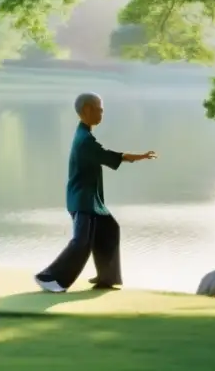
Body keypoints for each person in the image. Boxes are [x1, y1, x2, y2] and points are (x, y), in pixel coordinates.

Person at [34, 93, 157, 293]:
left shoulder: (84, 134)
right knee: (81, 242)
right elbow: (109, 157)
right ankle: (50, 278)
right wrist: (140, 156)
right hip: (82, 200)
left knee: (109, 229)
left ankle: (107, 277)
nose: (102, 113)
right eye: (99, 109)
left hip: (92, 200)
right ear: (87, 110)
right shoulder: (85, 141)